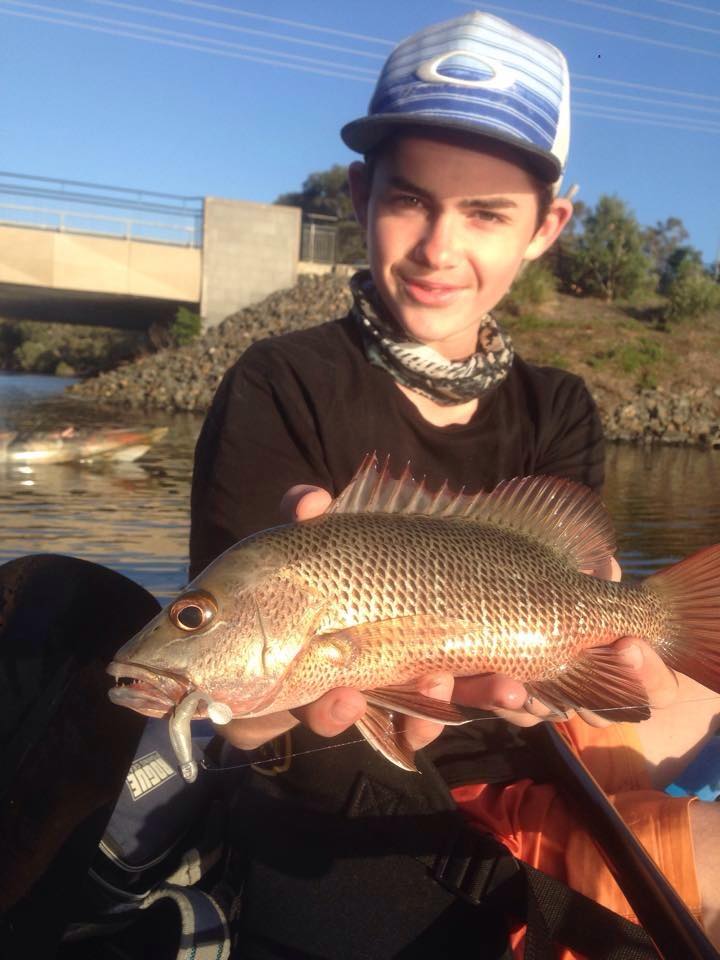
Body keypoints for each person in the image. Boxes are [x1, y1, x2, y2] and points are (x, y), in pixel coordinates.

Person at [188, 10, 720, 959]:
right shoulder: (280, 384)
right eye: (411, 199)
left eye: (486, 213)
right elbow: (241, 709)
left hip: (531, 723)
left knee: (681, 691)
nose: (440, 246)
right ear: (359, 194)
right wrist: (282, 700)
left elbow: (581, 613)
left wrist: (612, 633)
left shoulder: (558, 405)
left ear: (546, 228)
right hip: (334, 773)